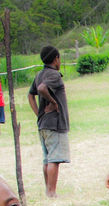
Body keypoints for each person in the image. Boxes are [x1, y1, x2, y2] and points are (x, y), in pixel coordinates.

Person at [28, 46, 69, 197]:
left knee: (47, 159)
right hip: (55, 123)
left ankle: (48, 190)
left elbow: (30, 95)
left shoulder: (39, 74)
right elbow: (41, 88)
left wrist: (37, 113)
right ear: (56, 58)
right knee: (54, 159)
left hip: (43, 124)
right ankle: (52, 192)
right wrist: (54, 102)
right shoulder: (54, 75)